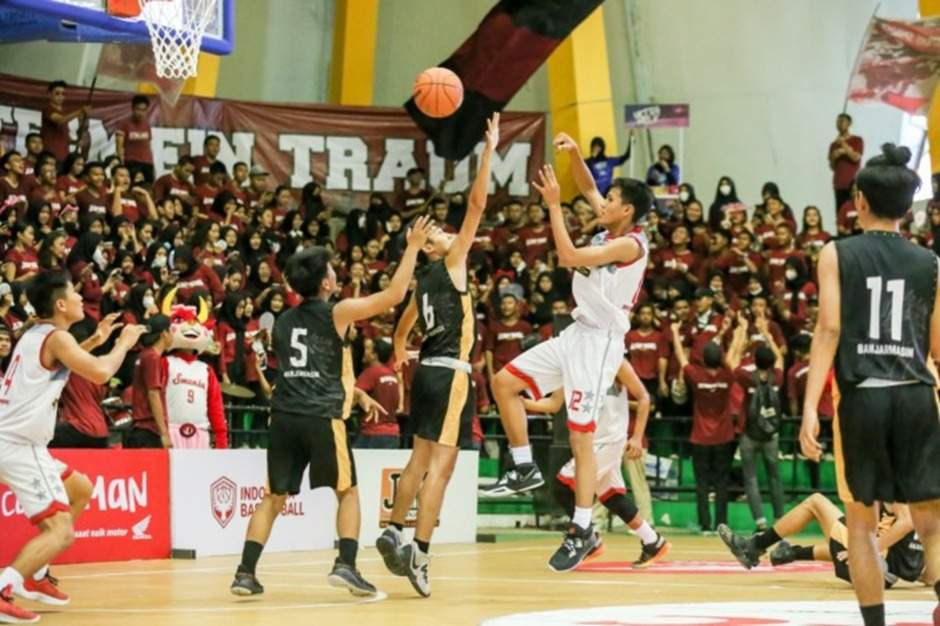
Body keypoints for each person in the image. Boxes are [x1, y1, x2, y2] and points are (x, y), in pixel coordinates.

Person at [229, 216, 433, 598]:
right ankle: (346, 566)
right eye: (332, 271)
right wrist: (413, 246)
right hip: (322, 417)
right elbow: (392, 296)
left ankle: (244, 573)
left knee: (272, 498)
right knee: (349, 493)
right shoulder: (336, 313)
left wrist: (356, 393)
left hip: (285, 417)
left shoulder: (285, 321)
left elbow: (309, 368)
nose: (336, 274)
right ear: (326, 282)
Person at [483, 131, 651, 573]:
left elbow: (568, 255)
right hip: (576, 333)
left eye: (611, 199)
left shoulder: (632, 244)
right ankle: (523, 465)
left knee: (580, 435)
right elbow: (590, 186)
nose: (601, 203)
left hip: (600, 344)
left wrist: (555, 206)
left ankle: (582, 529)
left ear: (627, 210)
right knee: (504, 382)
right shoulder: (611, 221)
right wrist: (576, 154)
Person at [800, 144, 940, 626]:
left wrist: (807, 407)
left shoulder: (836, 252)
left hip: (864, 396)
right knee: (930, 523)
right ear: (907, 208)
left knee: (860, 525)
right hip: (917, 394)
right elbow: (936, 347)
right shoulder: (932, 263)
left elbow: (830, 330)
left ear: (857, 200)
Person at [376, 114, 499, 598]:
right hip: (450, 376)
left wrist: (401, 351)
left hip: (427, 372)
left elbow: (402, 325)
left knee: (417, 460)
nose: (452, 235)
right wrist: (488, 150)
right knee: (441, 471)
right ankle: (419, 555)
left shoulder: (422, 282)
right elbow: (476, 205)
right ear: (430, 247)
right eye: (441, 235)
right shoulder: (448, 262)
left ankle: (392, 531)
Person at [0, 270, 144, 623]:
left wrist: (96, 339)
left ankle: (34, 574)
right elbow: (98, 374)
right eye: (75, 294)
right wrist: (123, 343)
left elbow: (63, 362)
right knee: (61, 530)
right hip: (18, 444)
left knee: (80, 489)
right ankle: (5, 586)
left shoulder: (40, 333)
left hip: (14, 440)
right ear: (61, 304)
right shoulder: (57, 337)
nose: (83, 298)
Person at [526, 359, 669, 569]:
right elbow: (554, 404)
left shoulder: (615, 361)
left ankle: (588, 537)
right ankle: (653, 542)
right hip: (592, 441)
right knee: (612, 497)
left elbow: (644, 398)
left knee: (562, 485)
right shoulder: (573, 365)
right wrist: (521, 403)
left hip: (609, 440)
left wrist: (637, 437)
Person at [718, 494, 924, 589]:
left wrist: (867, 550)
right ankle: (793, 552)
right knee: (851, 537)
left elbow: (905, 522)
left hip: (873, 566)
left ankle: (753, 547)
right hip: (884, 571)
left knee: (816, 503)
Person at [672, 318, 735, 534]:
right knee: (721, 483)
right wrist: (741, 330)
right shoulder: (728, 375)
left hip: (700, 437)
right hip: (724, 437)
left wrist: (674, 333)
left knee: (701, 483)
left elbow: (681, 359)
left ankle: (705, 525)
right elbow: (735, 353)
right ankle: (721, 524)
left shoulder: (696, 375)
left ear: (703, 359)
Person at [125, 315, 173, 448]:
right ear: (164, 333)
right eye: (171, 330)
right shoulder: (153, 358)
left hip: (140, 428)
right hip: (149, 430)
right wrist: (164, 433)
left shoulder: (143, 355)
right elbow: (153, 394)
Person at [353, 338, 401, 449]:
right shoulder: (392, 374)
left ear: (375, 355)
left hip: (372, 434)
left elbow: (353, 397)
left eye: (368, 349)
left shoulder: (370, 373)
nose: (364, 352)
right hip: (393, 434)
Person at [41, 81, 87, 161]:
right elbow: (60, 120)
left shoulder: (63, 113)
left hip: (64, 155)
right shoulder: (48, 109)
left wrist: (75, 142)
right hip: (51, 156)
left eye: (63, 94)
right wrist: (80, 111)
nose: (61, 96)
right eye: (57, 93)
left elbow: (63, 136)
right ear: (49, 94)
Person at [828, 113, 863, 211]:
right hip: (839, 183)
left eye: (842, 121)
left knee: (855, 212)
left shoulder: (857, 140)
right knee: (840, 213)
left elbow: (856, 157)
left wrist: (844, 145)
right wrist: (834, 157)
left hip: (854, 184)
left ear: (849, 123)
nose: (839, 124)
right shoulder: (833, 144)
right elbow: (832, 167)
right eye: (837, 122)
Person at [115, 95, 155, 184]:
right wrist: (121, 165)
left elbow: (148, 145)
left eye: (144, 110)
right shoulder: (123, 123)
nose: (141, 113)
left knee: (149, 187)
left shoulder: (146, 125)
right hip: (131, 162)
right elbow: (119, 147)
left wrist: (151, 162)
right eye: (138, 109)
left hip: (147, 162)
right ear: (132, 108)